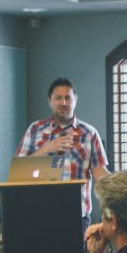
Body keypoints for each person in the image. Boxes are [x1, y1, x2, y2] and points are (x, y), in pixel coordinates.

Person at [15, 77, 110, 227]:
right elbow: (19, 170)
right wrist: (47, 149)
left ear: (75, 101)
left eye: (68, 98)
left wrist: (121, 190)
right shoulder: (35, 129)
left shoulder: (89, 133)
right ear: (50, 101)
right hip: (38, 213)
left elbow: (100, 172)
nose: (63, 103)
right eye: (58, 98)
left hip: (77, 215)